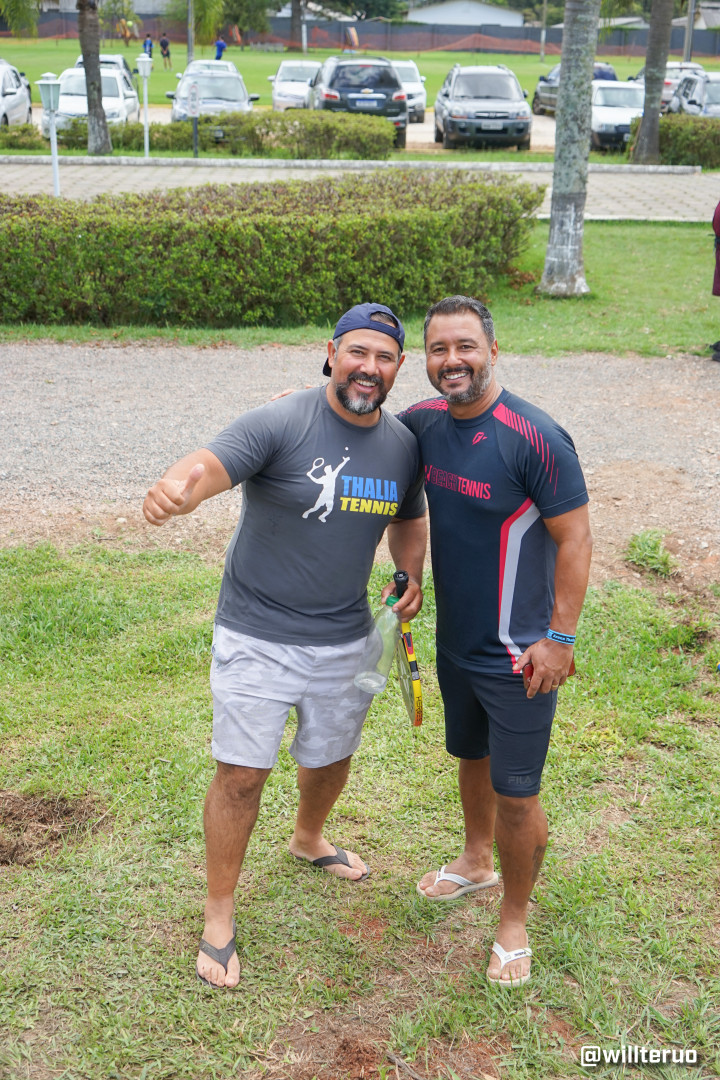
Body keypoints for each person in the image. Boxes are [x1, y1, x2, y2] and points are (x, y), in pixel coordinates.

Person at [143, 303, 427, 990]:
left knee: (330, 757)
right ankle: (218, 914)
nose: (369, 367)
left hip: (345, 637)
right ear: (331, 352)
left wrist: (411, 573)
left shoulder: (402, 444)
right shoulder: (282, 420)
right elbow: (213, 463)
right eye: (357, 352)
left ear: (398, 367)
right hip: (257, 634)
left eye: (384, 357)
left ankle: (307, 838)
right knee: (242, 776)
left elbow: (410, 516)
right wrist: (180, 488)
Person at [397, 295, 592, 989]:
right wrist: (304, 405)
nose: (452, 360)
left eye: (465, 347)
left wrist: (559, 639)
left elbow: (576, 539)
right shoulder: (422, 423)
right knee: (471, 757)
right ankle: (476, 860)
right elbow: (362, 440)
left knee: (518, 794)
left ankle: (513, 921)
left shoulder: (535, 436)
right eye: (438, 349)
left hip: (519, 657)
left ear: (492, 350)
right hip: (456, 643)